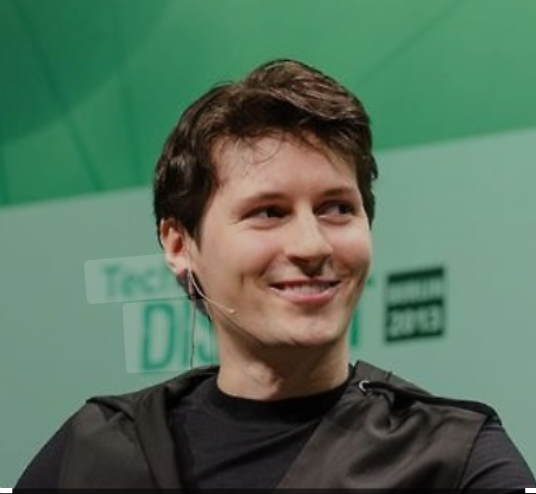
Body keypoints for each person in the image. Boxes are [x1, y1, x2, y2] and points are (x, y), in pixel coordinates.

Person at [16, 58, 535, 489]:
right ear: (179, 243)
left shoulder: (454, 459)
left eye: (337, 208)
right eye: (268, 212)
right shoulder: (97, 451)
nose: (312, 245)